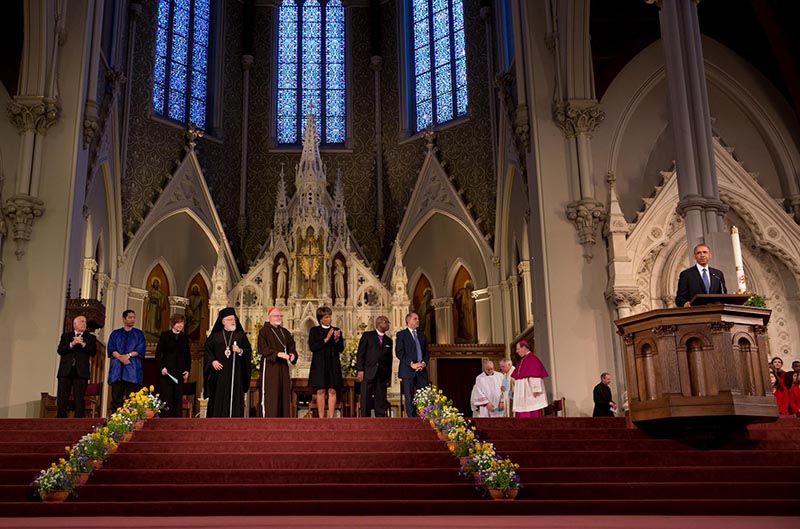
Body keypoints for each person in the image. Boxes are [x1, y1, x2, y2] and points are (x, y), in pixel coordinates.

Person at [204, 307, 252, 417]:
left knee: (235, 399)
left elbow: (248, 351)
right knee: (218, 399)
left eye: (234, 319)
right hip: (219, 375)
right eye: (230, 319)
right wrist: (213, 361)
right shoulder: (215, 337)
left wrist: (239, 350)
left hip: (236, 374)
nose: (233, 321)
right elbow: (207, 352)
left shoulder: (240, 335)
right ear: (223, 321)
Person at [258, 307, 298, 417]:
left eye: (280, 316)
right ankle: (269, 420)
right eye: (276, 316)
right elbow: (262, 349)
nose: (279, 318)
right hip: (270, 367)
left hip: (283, 367)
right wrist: (277, 354)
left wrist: (293, 355)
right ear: (269, 317)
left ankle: (283, 420)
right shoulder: (264, 331)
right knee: (272, 394)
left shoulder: (285, 332)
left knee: (283, 393)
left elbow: (291, 347)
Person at [56, 316, 97, 418]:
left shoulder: (90, 338)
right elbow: (60, 350)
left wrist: (83, 344)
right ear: (75, 324)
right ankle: (61, 418)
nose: (84, 323)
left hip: (81, 371)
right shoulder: (66, 336)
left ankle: (79, 419)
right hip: (66, 370)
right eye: (82, 321)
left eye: (85, 322)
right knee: (62, 396)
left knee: (79, 397)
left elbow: (93, 352)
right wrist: (72, 344)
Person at [308, 306, 345, 418]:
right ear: (321, 319)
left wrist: (336, 339)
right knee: (320, 391)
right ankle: (321, 417)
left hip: (333, 364)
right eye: (327, 317)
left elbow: (340, 349)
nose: (330, 319)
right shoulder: (314, 331)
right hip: (319, 365)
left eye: (330, 317)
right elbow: (313, 347)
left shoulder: (336, 330)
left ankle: (331, 417)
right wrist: (326, 338)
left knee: (332, 391)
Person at [107, 310, 146, 412]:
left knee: (131, 399)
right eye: (130, 317)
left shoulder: (139, 334)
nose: (132, 319)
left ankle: (130, 420)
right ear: (124, 319)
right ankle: (115, 421)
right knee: (116, 398)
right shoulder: (115, 334)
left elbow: (140, 349)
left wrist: (128, 356)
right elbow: (111, 348)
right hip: (117, 370)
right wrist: (121, 357)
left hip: (132, 369)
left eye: (133, 317)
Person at [155, 313, 192, 417]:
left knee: (178, 397)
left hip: (179, 372)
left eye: (182, 323)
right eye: (178, 323)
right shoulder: (165, 335)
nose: (181, 325)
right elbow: (158, 354)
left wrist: (187, 370)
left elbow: (187, 356)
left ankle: (177, 421)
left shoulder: (184, 337)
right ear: (173, 323)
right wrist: (162, 367)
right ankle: (165, 420)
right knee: (166, 396)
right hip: (166, 372)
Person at [356, 315, 393, 417]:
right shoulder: (368, 336)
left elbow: (389, 360)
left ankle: (380, 418)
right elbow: (360, 354)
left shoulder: (388, 341)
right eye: (386, 322)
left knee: (380, 396)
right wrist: (360, 370)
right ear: (379, 323)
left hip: (382, 373)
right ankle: (365, 418)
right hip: (368, 371)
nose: (388, 325)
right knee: (366, 396)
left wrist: (388, 377)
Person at [396, 312, 429, 417]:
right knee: (409, 396)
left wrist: (423, 363)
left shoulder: (422, 335)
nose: (417, 321)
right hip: (408, 370)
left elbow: (426, 352)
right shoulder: (402, 335)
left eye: (418, 318)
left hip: (421, 370)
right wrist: (412, 364)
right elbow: (399, 352)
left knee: (423, 395)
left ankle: (423, 415)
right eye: (415, 319)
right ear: (408, 321)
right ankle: (412, 418)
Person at [511, 340, 549, 418]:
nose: (517, 351)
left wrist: (536, 389)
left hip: (530, 394)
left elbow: (535, 375)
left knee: (531, 412)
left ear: (524, 347)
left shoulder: (532, 359)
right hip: (524, 396)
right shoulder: (524, 360)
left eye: (518, 349)